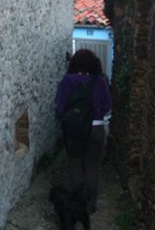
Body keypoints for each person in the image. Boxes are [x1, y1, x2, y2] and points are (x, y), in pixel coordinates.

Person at [55, 49, 112, 214]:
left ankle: (77, 203)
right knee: (92, 166)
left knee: (75, 163)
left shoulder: (67, 81)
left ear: (74, 64)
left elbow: (59, 108)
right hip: (96, 128)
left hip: (73, 130)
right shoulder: (100, 81)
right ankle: (90, 205)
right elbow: (108, 107)